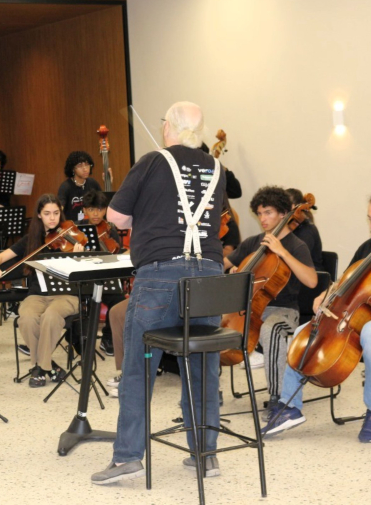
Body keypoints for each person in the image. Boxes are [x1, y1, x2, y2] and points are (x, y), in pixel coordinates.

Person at [91, 101, 226, 484]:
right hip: (209, 278)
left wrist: (146, 217)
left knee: (138, 368)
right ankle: (205, 454)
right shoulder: (217, 168)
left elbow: (116, 217)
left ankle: (127, 458)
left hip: (160, 277)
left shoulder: (152, 161)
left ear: (169, 127)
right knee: (202, 368)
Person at [263, 190, 371, 443]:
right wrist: (325, 295)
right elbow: (344, 282)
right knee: (303, 332)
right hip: (365, 319)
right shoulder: (369, 247)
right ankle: (290, 407)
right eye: (370, 218)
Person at [224, 186, 317, 414]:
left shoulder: (296, 245)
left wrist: (282, 252)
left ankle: (277, 397)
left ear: (283, 213)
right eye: (259, 213)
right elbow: (224, 264)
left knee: (271, 329)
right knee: (211, 323)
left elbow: (312, 281)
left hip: (284, 310)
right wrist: (234, 272)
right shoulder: (253, 243)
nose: (262, 219)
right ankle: (208, 392)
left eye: (268, 212)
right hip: (250, 308)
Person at [0, 193, 84, 387]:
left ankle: (40, 368)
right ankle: (49, 366)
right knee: (26, 318)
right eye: (47, 213)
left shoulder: (72, 237)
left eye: (56, 213)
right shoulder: (30, 240)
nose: (52, 218)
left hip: (66, 295)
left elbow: (86, 272)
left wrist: (79, 258)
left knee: (50, 316)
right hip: (37, 295)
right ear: (39, 215)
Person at [80, 190, 125, 357]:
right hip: (82, 279)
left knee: (118, 300)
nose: (96, 214)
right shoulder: (76, 229)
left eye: (100, 209)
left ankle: (107, 337)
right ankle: (81, 340)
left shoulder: (110, 229)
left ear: (105, 210)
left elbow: (117, 254)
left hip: (104, 278)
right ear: (84, 210)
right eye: (91, 209)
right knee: (82, 302)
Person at [286, 187, 324, 272]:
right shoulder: (289, 226)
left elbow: (299, 259)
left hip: (309, 274)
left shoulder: (307, 230)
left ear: (294, 207)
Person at [58, 151, 101, 223]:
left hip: (90, 224)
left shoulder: (93, 183)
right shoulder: (65, 187)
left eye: (87, 165)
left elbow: (102, 203)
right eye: (80, 166)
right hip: (72, 226)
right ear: (73, 169)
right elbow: (60, 208)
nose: (85, 169)